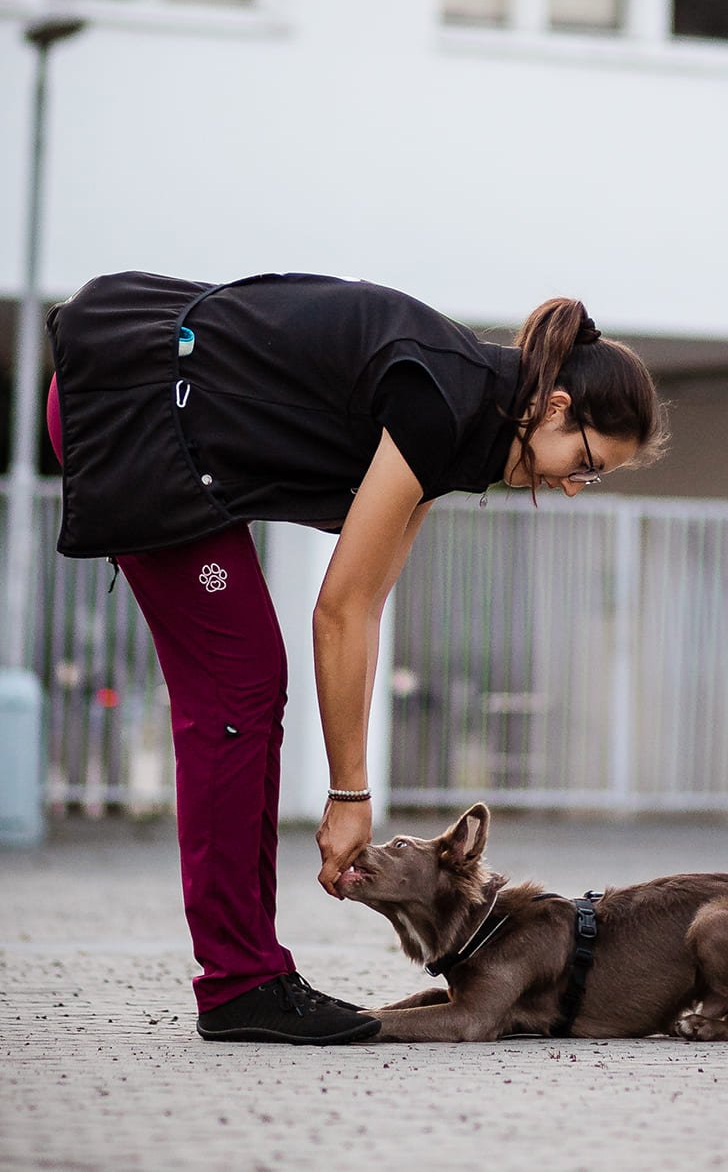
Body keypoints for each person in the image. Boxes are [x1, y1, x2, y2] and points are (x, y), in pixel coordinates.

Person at [45, 270, 666, 1045]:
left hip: (147, 402)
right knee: (239, 684)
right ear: (557, 407)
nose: (576, 486)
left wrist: (352, 794)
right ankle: (241, 981)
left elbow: (366, 606)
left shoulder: (466, 428)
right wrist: (349, 793)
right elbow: (337, 609)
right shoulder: (444, 400)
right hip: (130, 396)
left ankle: (253, 971)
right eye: (587, 463)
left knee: (247, 684)